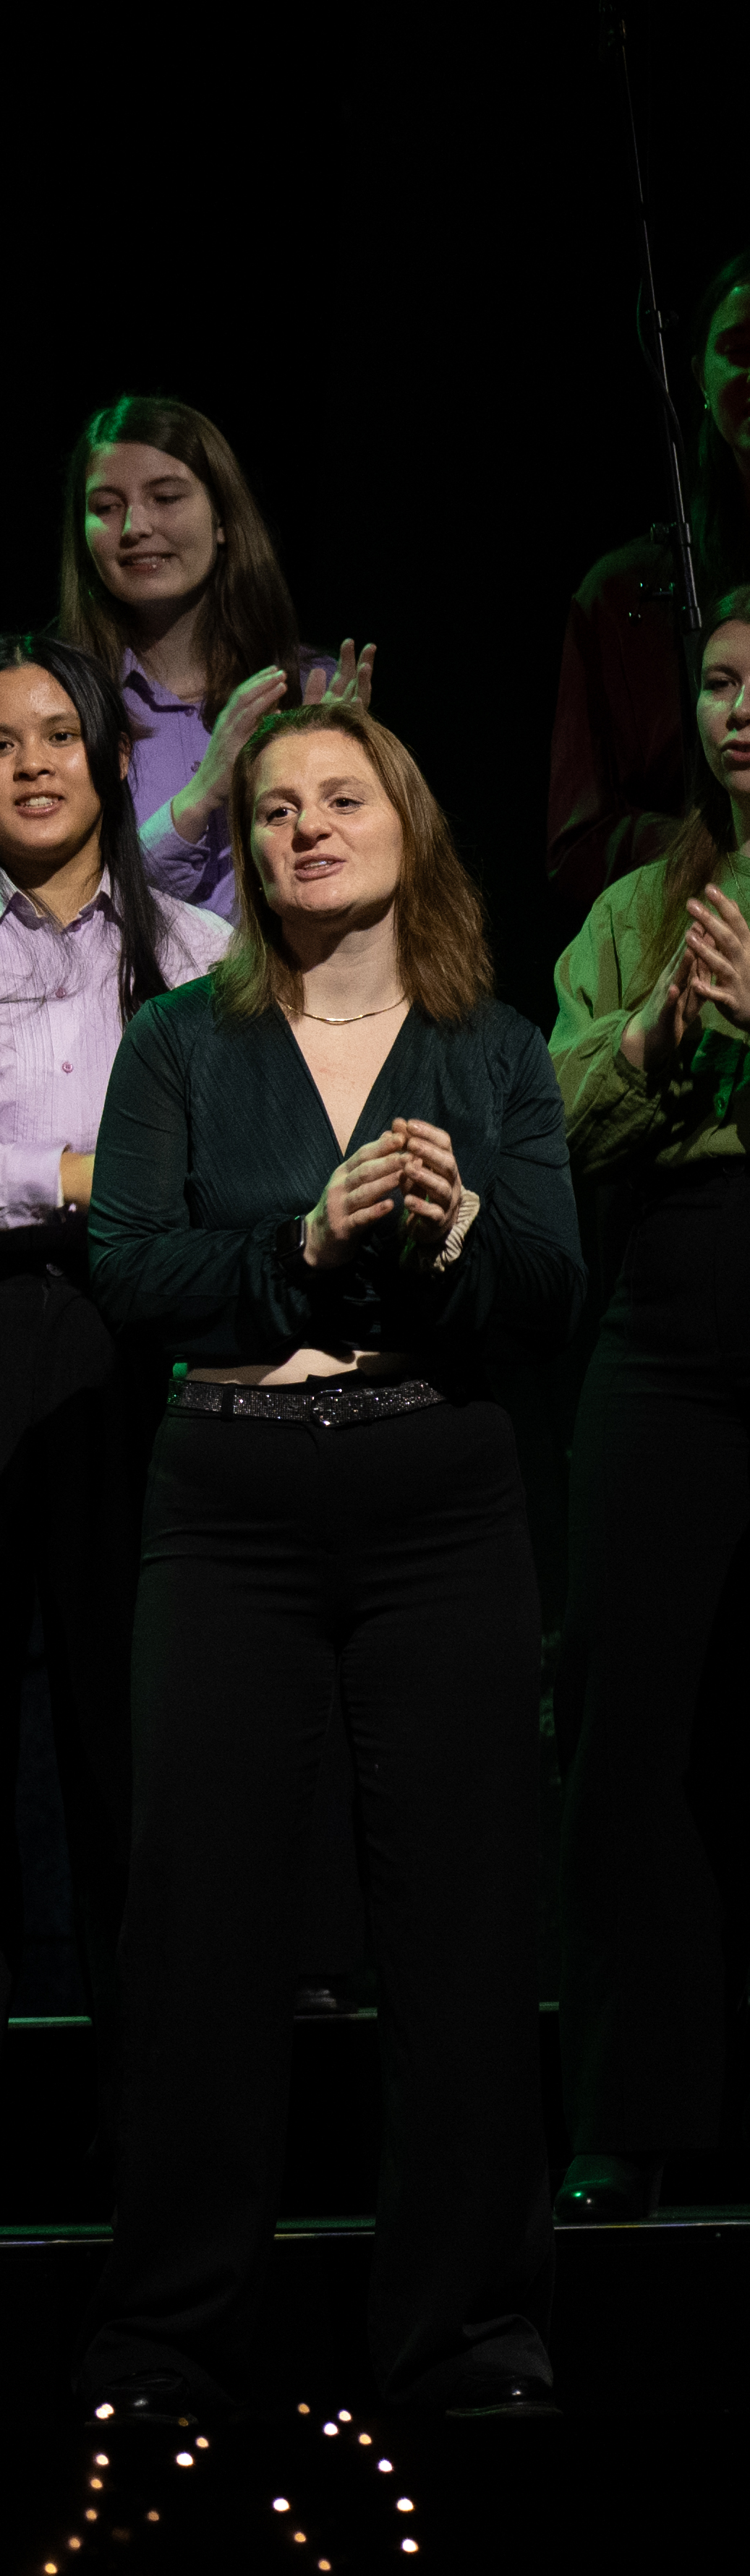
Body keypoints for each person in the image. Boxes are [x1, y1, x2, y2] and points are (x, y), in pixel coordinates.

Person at [73, 706, 571, 2414]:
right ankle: (167, 2336)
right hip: (231, 1494)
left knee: (461, 1924)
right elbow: (129, 1270)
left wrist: (449, 1234)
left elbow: (552, 1291)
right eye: (273, 807)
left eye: (340, 797)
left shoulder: (489, 1047)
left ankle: (464, 2335)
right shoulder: (178, 1045)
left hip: (436, 1489)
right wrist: (301, 1236)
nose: (305, 827)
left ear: (404, 825)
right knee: (199, 1928)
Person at [0, 631, 229, 2216]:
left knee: (126, 1733)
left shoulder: (213, 950)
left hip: (135, 1337)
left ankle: (148, 2126)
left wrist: (48, 1174)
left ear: (107, 762)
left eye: (60, 738)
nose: (31, 765)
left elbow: (212, 1178)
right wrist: (76, 1174)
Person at [547, 581, 750, 2221]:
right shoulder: (642, 902)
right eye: (716, 682)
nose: (739, 706)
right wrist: (655, 1035)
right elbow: (545, 1111)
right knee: (628, 1715)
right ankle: (638, 2105)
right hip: (673, 1300)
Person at [59, 395, 371, 920]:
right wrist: (201, 796)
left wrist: (356, 787)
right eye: (106, 507)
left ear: (223, 519)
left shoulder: (311, 686)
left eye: (165, 497)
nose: (135, 526)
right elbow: (67, 904)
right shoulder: (57, 700)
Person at [542, 254, 750, 933]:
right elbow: (576, 845)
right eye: (738, 349)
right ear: (698, 376)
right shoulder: (623, 593)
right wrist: (712, 849)